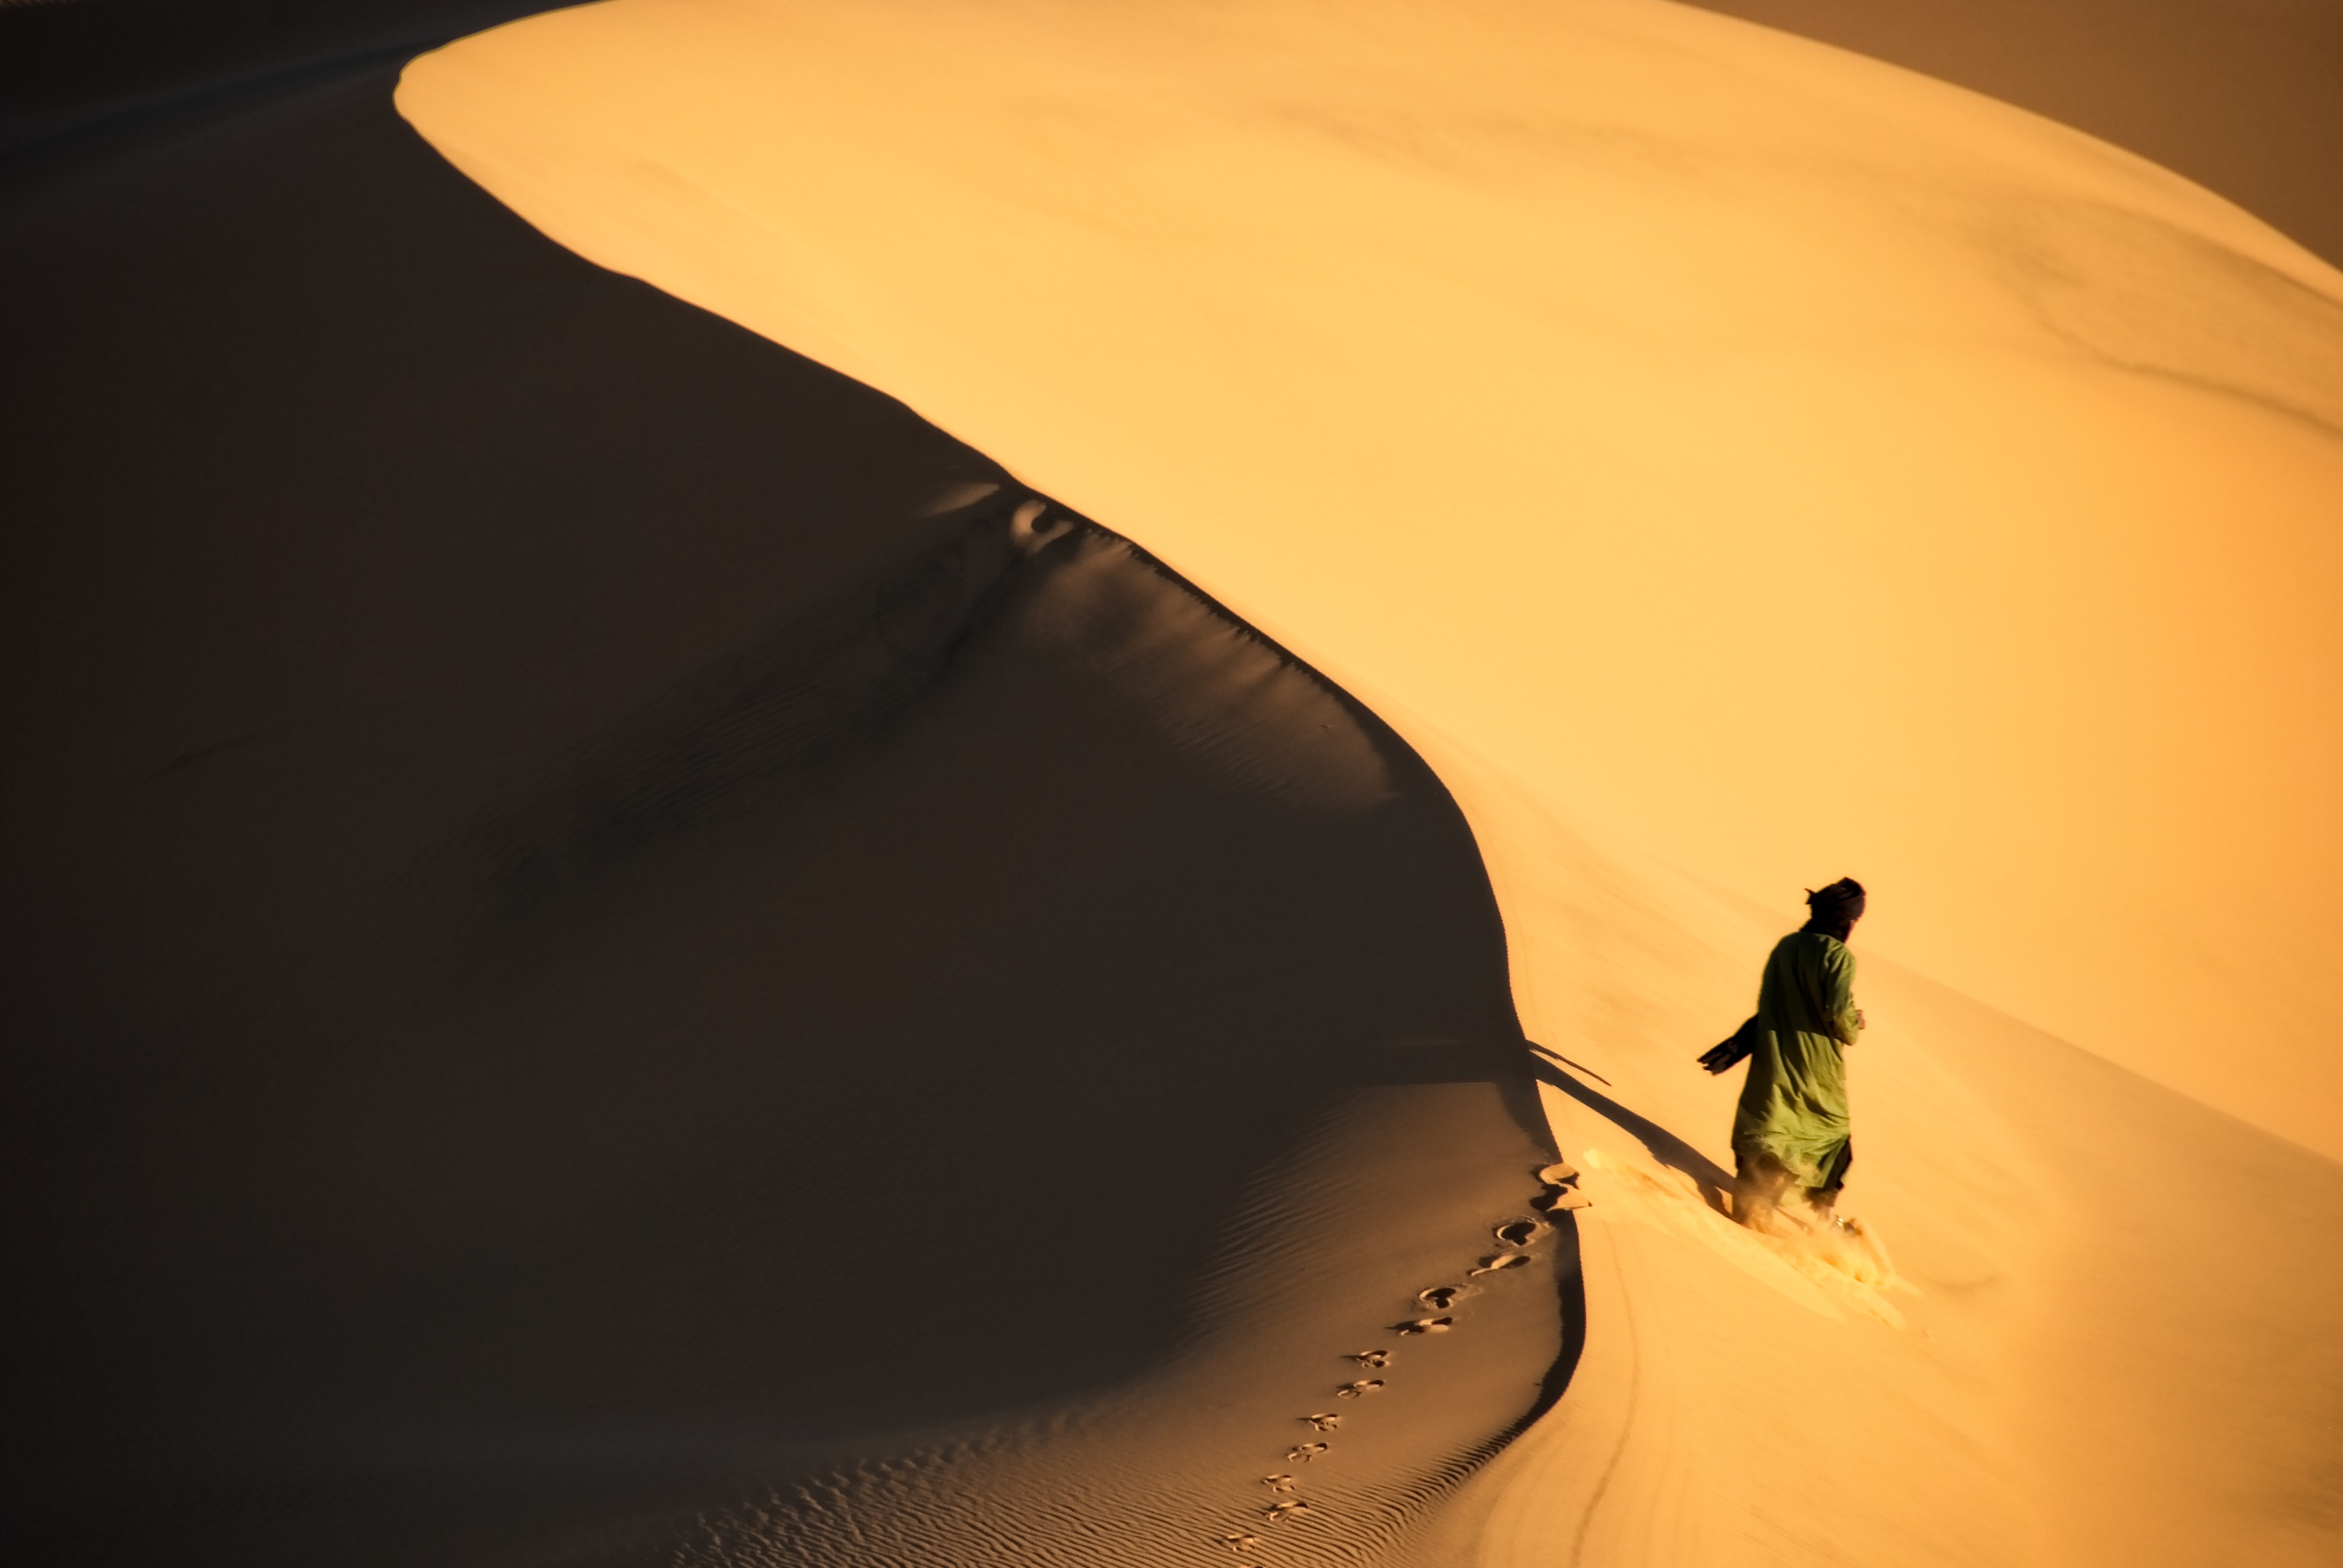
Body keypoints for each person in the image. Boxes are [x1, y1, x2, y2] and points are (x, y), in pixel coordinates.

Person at [1698, 878, 1867, 1227]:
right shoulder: (1838, 956)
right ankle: (1822, 1220)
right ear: (1844, 921)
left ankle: (1756, 1203)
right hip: (1816, 1064)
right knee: (1831, 1135)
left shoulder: (1786, 946)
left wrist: (1741, 1041)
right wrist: (1855, 1021)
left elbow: (1771, 1002)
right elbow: (1839, 1015)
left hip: (1774, 1055)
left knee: (1770, 1127)